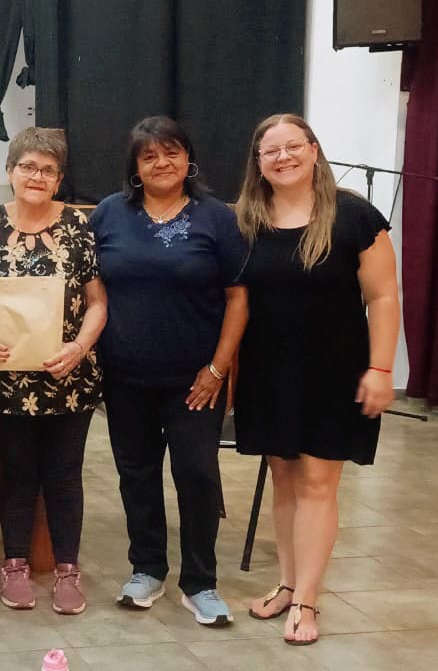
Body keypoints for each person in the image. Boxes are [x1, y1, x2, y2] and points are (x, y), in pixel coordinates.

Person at [233, 114, 398, 646]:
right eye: (270, 151)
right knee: (283, 476)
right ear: (258, 162)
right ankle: (287, 584)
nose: (282, 157)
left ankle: (308, 598)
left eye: (292, 146)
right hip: (268, 369)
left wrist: (381, 368)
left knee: (318, 482)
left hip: (334, 370)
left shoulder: (353, 215)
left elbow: (384, 297)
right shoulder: (247, 219)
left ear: (313, 150)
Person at [88, 116, 248, 627]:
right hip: (125, 375)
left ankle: (200, 583)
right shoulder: (109, 214)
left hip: (195, 380)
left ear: (188, 158)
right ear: (134, 167)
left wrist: (218, 369)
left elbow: (238, 298)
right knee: (136, 475)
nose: (162, 163)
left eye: (172, 152)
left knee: (197, 475)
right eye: (149, 156)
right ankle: (147, 569)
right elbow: (92, 289)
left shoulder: (216, 217)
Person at [0, 127, 106, 615]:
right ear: (10, 171)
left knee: (65, 475)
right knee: (18, 473)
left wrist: (80, 346)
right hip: (8, 376)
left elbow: (97, 302)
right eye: (27, 166)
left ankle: (68, 571)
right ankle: (14, 565)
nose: (37, 176)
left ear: (59, 179)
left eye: (48, 170)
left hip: (69, 375)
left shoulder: (78, 225)